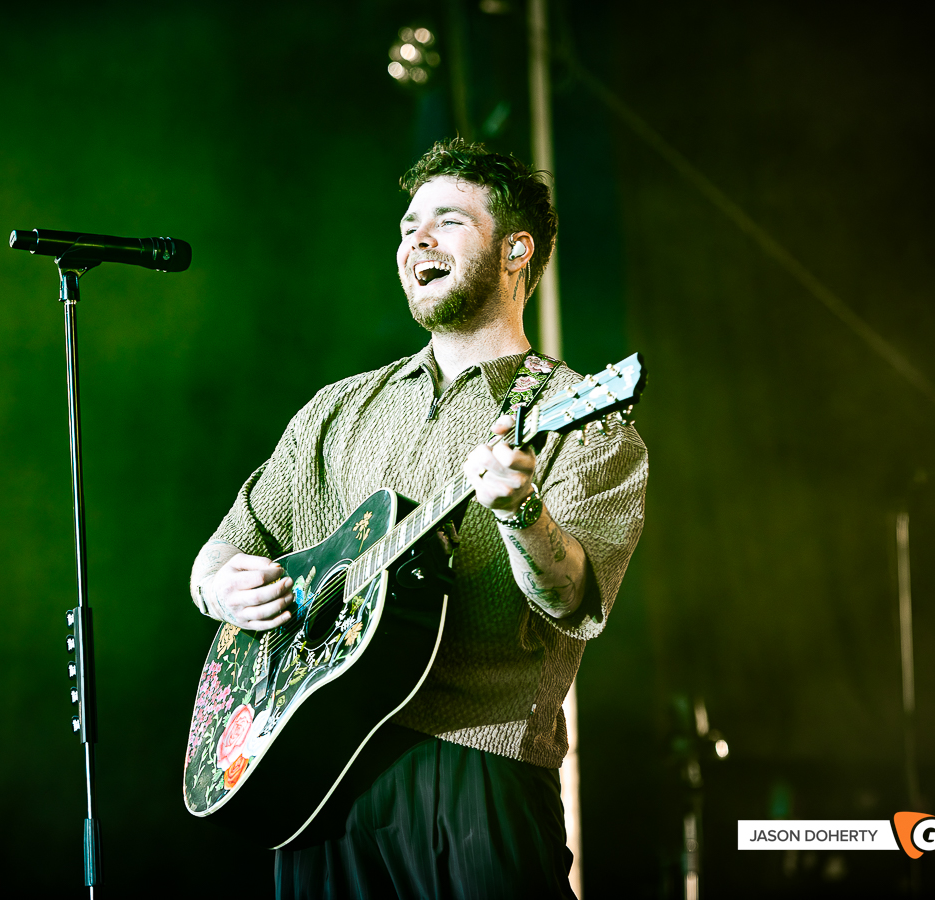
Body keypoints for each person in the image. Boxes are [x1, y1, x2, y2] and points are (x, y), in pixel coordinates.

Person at [189, 137, 648, 899]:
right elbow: (218, 556)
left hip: (478, 777)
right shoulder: (334, 411)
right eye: (407, 228)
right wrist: (221, 591)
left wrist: (521, 509)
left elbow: (574, 599)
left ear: (516, 249)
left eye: (447, 222)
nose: (417, 241)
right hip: (321, 786)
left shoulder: (585, 422)